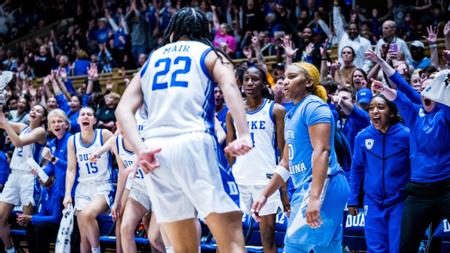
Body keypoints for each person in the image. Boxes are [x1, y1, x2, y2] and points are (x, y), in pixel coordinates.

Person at [115, 7, 252, 253]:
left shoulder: (151, 60)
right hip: (194, 143)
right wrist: (243, 133)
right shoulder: (208, 53)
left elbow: (122, 110)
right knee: (231, 242)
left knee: (182, 249)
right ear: (204, 32)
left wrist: (140, 149)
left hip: (156, 152)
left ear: (173, 32)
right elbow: (230, 85)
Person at [252, 62, 349, 253]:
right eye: (285, 77)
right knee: (327, 248)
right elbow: (286, 163)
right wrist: (265, 194)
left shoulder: (314, 107)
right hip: (317, 187)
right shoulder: (291, 114)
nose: (285, 82)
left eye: (292, 77)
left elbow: (322, 151)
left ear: (308, 82)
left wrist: (314, 197)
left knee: (295, 246)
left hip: (321, 185)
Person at [366, 51, 450, 253]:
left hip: (447, 187)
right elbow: (400, 92)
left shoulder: (446, 113)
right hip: (418, 191)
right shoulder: (414, 112)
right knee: (406, 248)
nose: (425, 94)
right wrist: (381, 66)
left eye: (430, 91)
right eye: (423, 91)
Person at [226, 65, 287, 253]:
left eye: (255, 79)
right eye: (246, 79)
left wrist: (283, 190)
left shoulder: (276, 110)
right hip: (239, 180)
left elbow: (282, 150)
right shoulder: (232, 112)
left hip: (265, 180)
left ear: (263, 83)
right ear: (242, 84)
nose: (250, 83)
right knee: (228, 236)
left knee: (267, 238)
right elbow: (230, 152)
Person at [348, 95, 410, 253]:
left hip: (400, 202)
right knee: (375, 249)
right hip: (373, 202)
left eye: (380, 107)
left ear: (392, 113)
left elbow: (416, 168)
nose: (375, 111)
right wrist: (353, 199)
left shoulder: (406, 135)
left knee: (398, 249)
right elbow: (356, 169)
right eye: (371, 108)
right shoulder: (362, 137)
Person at [63, 107, 114, 253]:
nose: (86, 117)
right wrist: (67, 194)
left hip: (103, 185)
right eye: (82, 115)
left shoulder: (103, 134)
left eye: (89, 114)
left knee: (87, 214)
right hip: (83, 188)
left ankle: (97, 250)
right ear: (78, 120)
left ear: (94, 120)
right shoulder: (72, 140)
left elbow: (119, 145)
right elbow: (71, 169)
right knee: (84, 237)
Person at [0, 104, 47, 253]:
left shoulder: (40, 131)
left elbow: (18, 142)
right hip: (14, 176)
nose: (34, 111)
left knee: (27, 222)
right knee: (0, 218)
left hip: (29, 178)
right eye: (33, 109)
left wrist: (3, 119)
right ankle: (11, 250)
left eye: (38, 111)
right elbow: (2, 123)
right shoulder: (22, 126)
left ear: (43, 117)